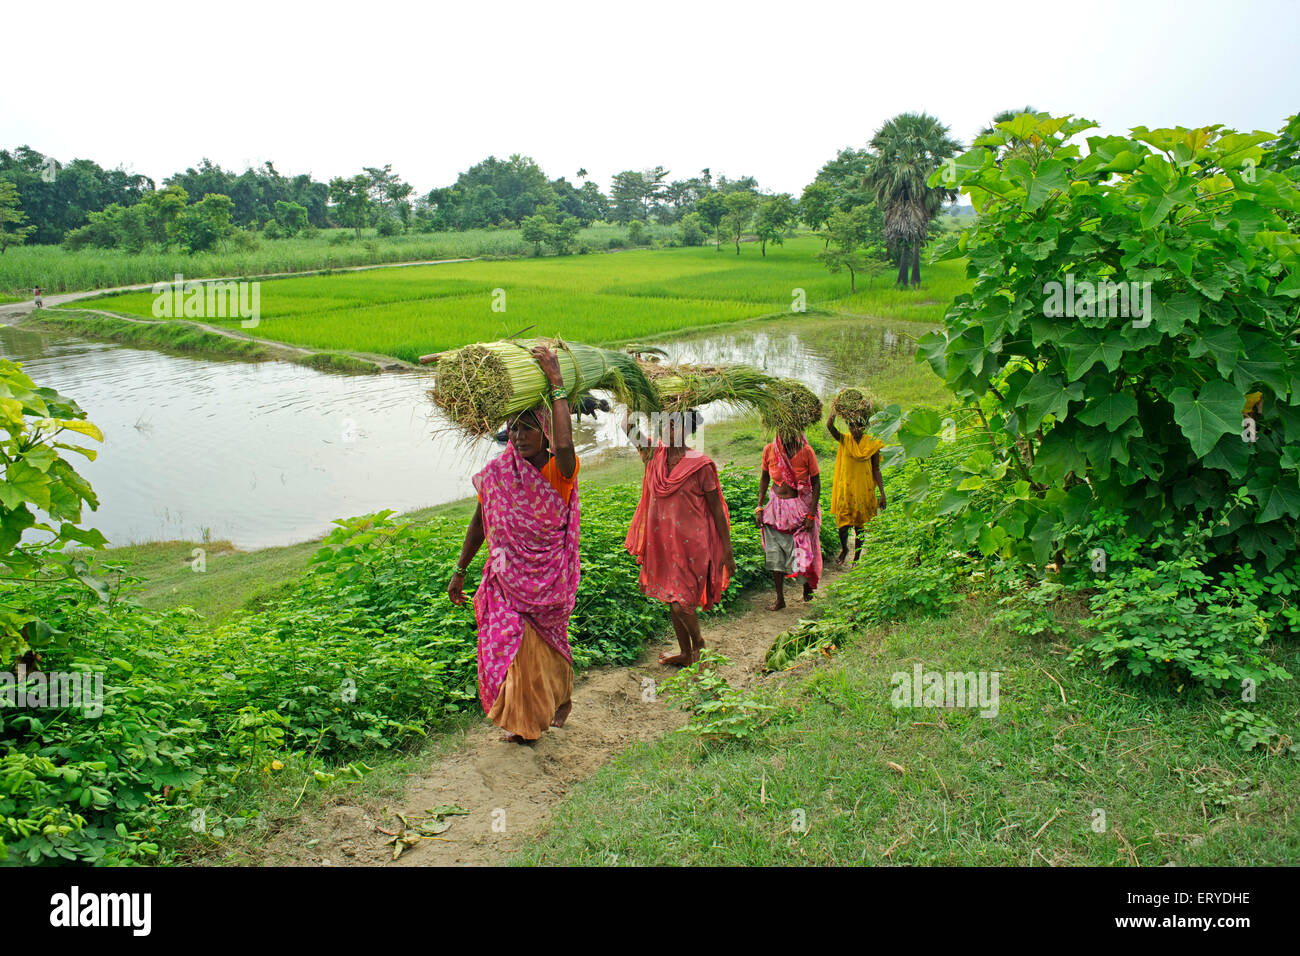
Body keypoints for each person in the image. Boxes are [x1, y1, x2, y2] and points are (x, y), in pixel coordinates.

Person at [448, 346, 580, 744]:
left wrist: (556, 383)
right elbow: (480, 521)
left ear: (546, 432)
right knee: (512, 647)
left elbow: (567, 445)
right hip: (504, 579)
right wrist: (460, 568)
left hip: (545, 579)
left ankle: (544, 708)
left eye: (528, 427)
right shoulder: (499, 473)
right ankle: (524, 717)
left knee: (540, 648)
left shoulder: (561, 470)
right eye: (514, 429)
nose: (519, 436)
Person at [624, 409, 736, 666]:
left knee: (679, 603)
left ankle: (699, 644)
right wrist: (633, 400)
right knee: (671, 600)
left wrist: (726, 550)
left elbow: (717, 509)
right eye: (665, 423)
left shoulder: (701, 464)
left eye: (675, 425)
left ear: (687, 430)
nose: (668, 429)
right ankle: (686, 653)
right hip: (664, 546)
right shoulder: (654, 454)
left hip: (693, 547)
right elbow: (627, 426)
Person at [756, 429, 822, 610]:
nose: (786, 436)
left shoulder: (806, 451)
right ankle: (780, 598)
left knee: (803, 553)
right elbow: (764, 479)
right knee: (775, 554)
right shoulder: (770, 450)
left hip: (800, 510)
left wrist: (811, 514)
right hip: (775, 511)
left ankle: (807, 590)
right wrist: (759, 506)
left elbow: (816, 483)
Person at [827, 411, 886, 565]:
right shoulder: (845, 440)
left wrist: (882, 493)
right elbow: (830, 427)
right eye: (851, 425)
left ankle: (857, 556)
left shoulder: (872, 444)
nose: (854, 429)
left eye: (858, 426)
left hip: (863, 490)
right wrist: (833, 412)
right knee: (842, 526)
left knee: (859, 527)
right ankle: (845, 549)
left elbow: (876, 470)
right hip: (845, 491)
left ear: (864, 427)